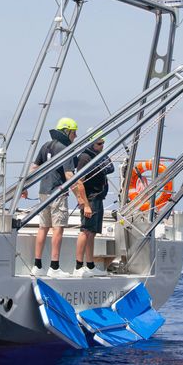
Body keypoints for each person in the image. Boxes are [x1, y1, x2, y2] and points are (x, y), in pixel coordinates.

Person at [26, 117, 89, 278]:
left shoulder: (45, 146)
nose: (75, 136)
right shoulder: (64, 149)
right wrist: (80, 199)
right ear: (67, 131)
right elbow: (69, 175)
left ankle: (37, 265)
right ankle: (54, 267)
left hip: (43, 192)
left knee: (43, 227)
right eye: (74, 133)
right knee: (58, 228)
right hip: (57, 193)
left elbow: (34, 168)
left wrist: (24, 186)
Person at [73, 134, 114, 277]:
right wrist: (85, 204)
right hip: (90, 198)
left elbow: (110, 167)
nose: (102, 146)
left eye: (103, 143)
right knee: (85, 230)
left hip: (98, 198)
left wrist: (101, 153)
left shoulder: (99, 156)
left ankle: (90, 265)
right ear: (91, 144)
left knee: (92, 232)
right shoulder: (85, 158)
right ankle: (78, 266)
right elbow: (79, 182)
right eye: (99, 144)